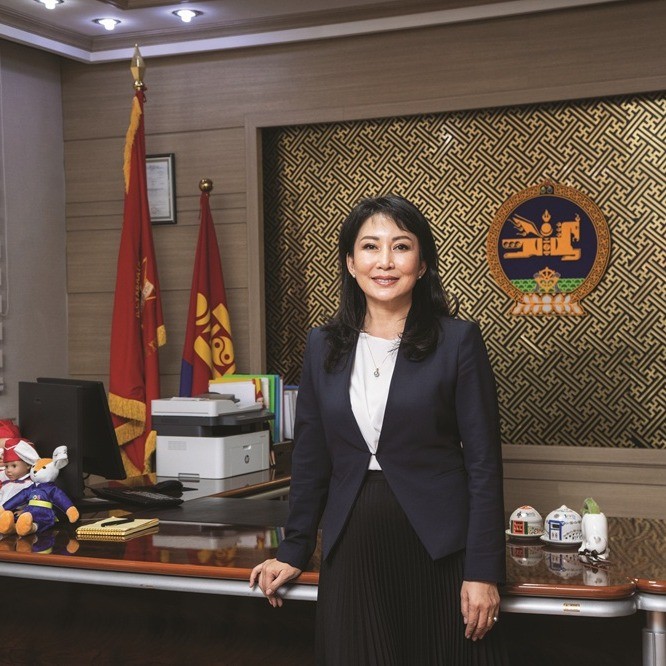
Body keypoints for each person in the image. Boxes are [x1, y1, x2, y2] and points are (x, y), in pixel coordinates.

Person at [250, 195, 508, 665]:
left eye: (401, 246)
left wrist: (484, 570)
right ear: (351, 263)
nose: (385, 261)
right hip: (353, 542)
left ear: (422, 264)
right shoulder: (322, 344)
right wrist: (294, 548)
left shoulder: (457, 341)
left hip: (439, 546)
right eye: (370, 247)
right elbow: (311, 458)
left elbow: (483, 464)